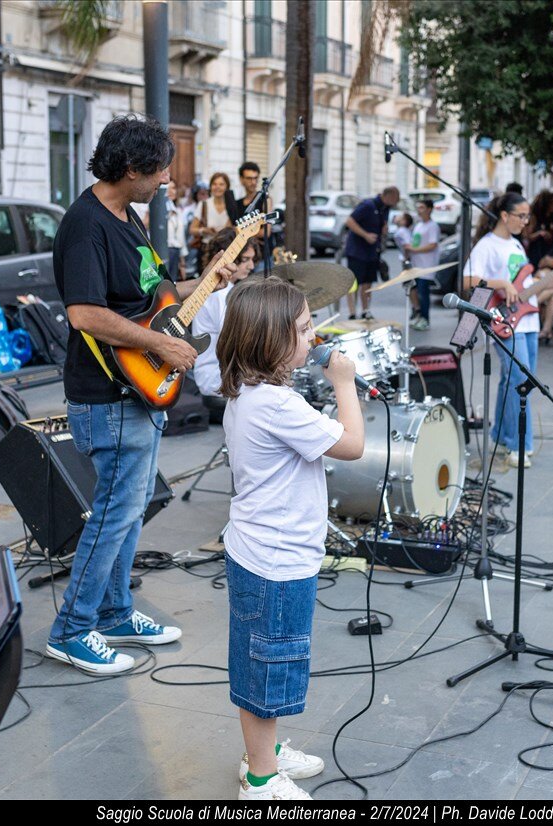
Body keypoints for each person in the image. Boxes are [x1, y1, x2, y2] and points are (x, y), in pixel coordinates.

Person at [45, 115, 237, 674]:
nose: (166, 184)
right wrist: (162, 344)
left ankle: (114, 611)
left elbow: (151, 295)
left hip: (138, 389)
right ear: (131, 170)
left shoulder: (127, 215)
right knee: (113, 512)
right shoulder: (85, 224)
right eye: (160, 173)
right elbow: (83, 313)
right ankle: (72, 629)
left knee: (129, 513)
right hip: (106, 395)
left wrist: (205, 285)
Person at [217, 276, 365, 801]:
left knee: (261, 659)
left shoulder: (254, 393)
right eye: (304, 329)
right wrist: (344, 382)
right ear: (271, 341)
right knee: (269, 665)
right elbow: (351, 444)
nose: (314, 336)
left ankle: (266, 753)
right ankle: (260, 779)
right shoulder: (277, 405)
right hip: (275, 562)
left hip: (258, 552)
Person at [462, 192, 553, 467]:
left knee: (513, 381)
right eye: (521, 216)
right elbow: (467, 280)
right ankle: (519, 445)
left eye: (527, 216)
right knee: (519, 381)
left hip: (528, 320)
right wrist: (500, 283)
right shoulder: (487, 245)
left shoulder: (517, 245)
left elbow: (525, 286)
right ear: (505, 216)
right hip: (507, 322)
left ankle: (499, 435)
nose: (526, 221)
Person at [191, 228, 259, 402]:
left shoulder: (225, 289)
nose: (251, 266)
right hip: (215, 378)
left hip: (223, 374)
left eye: (252, 260)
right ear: (230, 260)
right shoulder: (219, 293)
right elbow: (238, 340)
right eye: (245, 260)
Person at [344, 185, 399, 319]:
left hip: (372, 251)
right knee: (354, 283)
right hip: (357, 251)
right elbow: (349, 221)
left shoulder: (385, 209)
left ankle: (365, 310)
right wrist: (365, 235)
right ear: (389, 196)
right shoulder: (368, 205)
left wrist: (383, 230)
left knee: (368, 282)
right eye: (396, 199)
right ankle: (352, 312)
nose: (397, 202)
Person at [406, 199, 441, 331]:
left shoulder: (433, 226)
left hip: (426, 267)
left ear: (429, 209)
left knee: (423, 294)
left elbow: (432, 245)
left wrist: (415, 250)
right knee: (414, 292)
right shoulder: (419, 225)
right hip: (416, 265)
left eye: (421, 207)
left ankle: (425, 319)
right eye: (418, 207)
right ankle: (418, 316)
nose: (419, 210)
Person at [189, 171, 234, 267]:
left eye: (221, 184)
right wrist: (204, 230)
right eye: (214, 184)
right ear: (211, 187)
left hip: (227, 251)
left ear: (227, 187)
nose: (218, 187)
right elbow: (192, 229)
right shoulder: (204, 204)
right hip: (207, 251)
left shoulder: (232, 206)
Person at [523, 190, 553, 267]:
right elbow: (527, 236)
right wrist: (540, 233)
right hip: (537, 252)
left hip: (549, 251)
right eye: (552, 203)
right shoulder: (534, 218)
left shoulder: (552, 218)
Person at [165, 184, 187, 280]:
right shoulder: (154, 208)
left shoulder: (177, 211)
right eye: (167, 188)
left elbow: (180, 238)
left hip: (175, 251)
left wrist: (182, 262)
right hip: (160, 250)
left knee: (171, 283)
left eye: (173, 188)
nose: (170, 191)